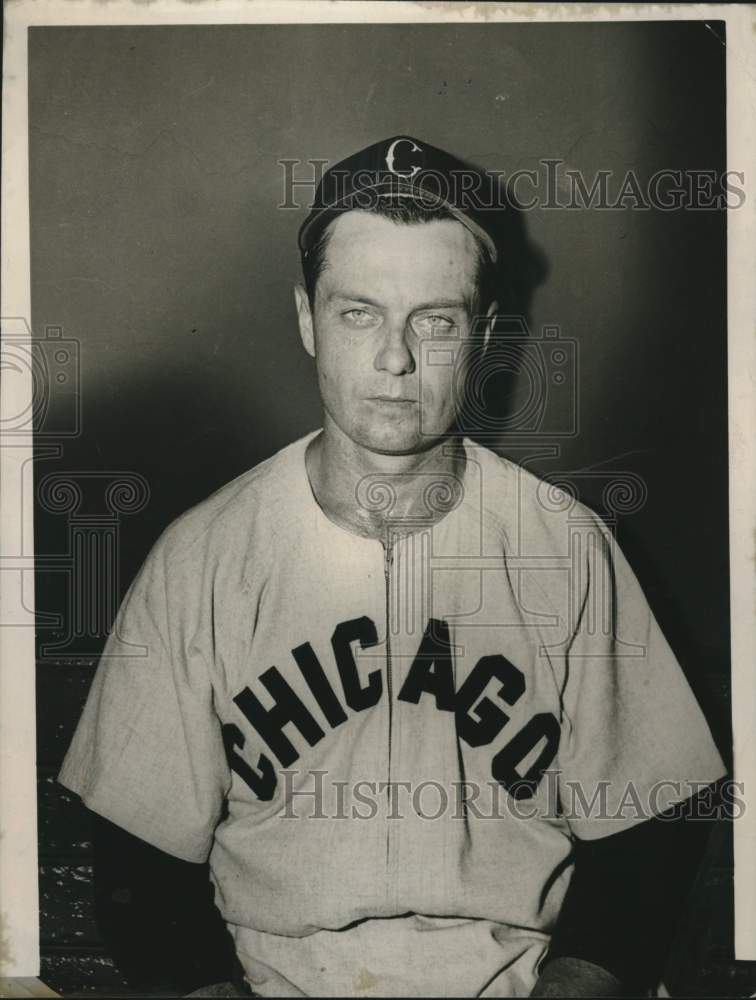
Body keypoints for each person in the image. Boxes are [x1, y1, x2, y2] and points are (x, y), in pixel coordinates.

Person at [59, 136, 726, 998]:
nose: (395, 358)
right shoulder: (203, 557)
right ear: (307, 318)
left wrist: (579, 983)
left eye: (435, 320)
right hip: (279, 979)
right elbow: (138, 864)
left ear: (484, 333)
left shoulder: (567, 546)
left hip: (518, 976)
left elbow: (646, 826)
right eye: (358, 312)